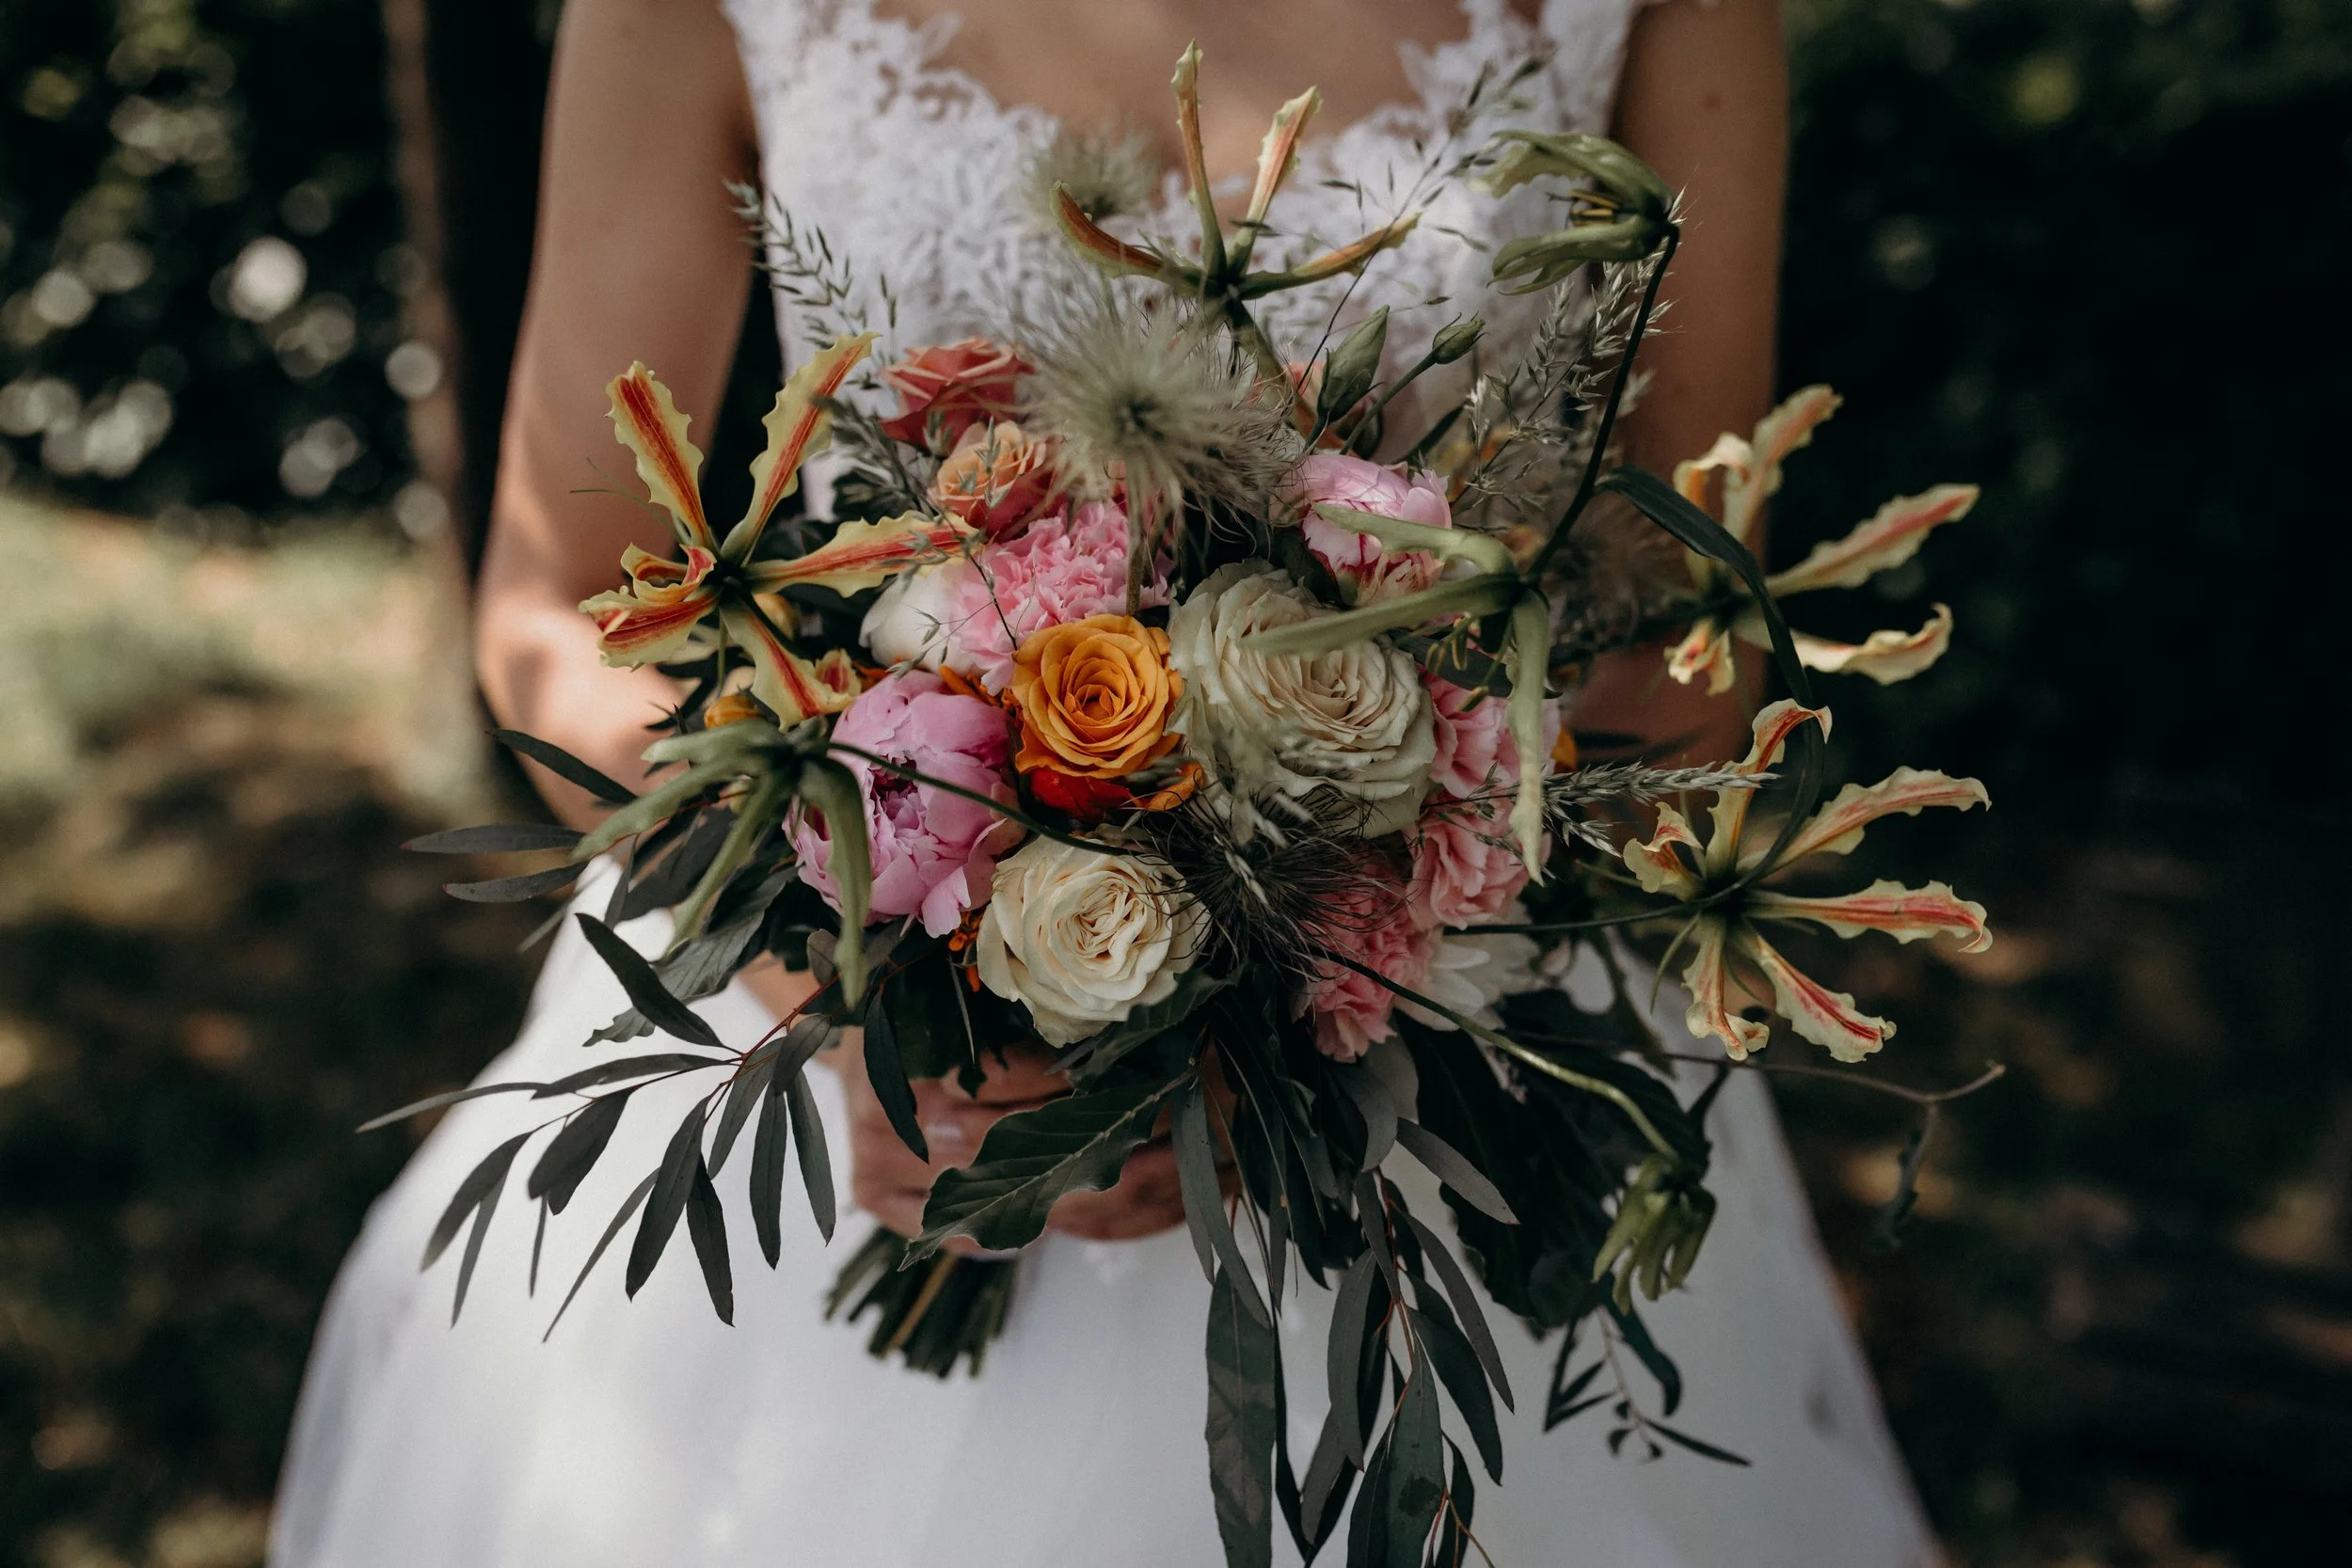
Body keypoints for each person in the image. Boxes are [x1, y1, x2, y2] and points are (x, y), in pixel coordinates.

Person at [271, 2, 1934, 1563]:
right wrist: (874, 1002)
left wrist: (1318, 971)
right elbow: (564, 597)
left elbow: (1675, 638)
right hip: (857, 1033)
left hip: (1423, 1061)